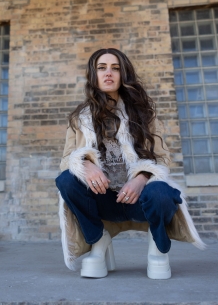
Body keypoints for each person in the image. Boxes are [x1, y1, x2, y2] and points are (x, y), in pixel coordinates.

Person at [55, 48, 205, 279]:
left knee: (163, 192)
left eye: (115, 68)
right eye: (101, 68)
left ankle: (157, 248)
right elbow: (66, 160)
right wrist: (85, 163)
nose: (108, 73)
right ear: (93, 75)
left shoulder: (143, 113)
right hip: (103, 199)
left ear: (123, 74)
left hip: (140, 200)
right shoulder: (80, 118)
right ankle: (98, 238)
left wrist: (141, 178)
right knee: (65, 180)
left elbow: (162, 159)